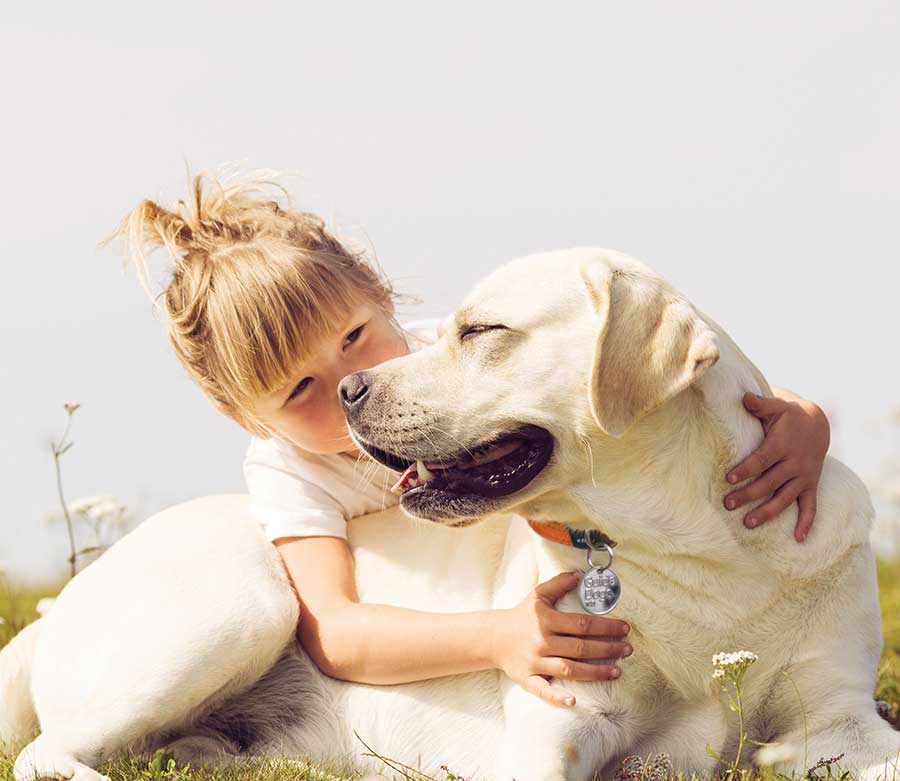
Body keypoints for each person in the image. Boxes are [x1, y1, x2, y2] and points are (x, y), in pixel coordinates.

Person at [113, 172, 831, 709]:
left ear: (383, 295)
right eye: (300, 391)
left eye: (355, 337)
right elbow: (335, 632)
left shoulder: (450, 371)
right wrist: (497, 636)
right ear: (247, 418)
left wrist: (804, 422)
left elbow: (653, 390)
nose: (350, 384)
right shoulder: (290, 471)